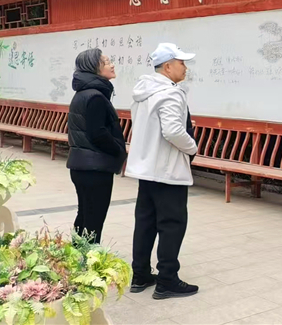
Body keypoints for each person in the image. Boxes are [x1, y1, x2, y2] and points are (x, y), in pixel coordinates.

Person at [126, 43, 199, 299]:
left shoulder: (144, 90)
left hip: (146, 168)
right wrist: (192, 147)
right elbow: (173, 131)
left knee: (145, 223)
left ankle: (140, 275)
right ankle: (167, 279)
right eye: (182, 63)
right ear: (168, 66)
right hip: (167, 171)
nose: (185, 67)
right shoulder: (170, 93)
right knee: (172, 224)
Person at [66, 49, 127, 244]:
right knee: (94, 219)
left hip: (82, 165)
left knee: (85, 215)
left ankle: (76, 256)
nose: (112, 65)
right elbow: (98, 133)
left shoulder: (84, 93)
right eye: (107, 62)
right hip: (94, 168)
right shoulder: (95, 97)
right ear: (94, 68)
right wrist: (119, 150)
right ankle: (88, 258)